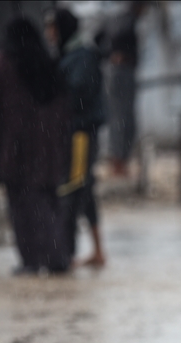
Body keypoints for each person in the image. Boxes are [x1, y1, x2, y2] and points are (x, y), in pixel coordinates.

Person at [0, 18, 71, 274]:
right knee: (49, 202)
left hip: (15, 148)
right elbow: (65, 106)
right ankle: (57, 256)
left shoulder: (3, 63)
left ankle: (31, 260)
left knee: (22, 207)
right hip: (49, 148)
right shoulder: (48, 64)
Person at [46, 7, 107, 267]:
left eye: (52, 28)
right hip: (76, 133)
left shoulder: (81, 56)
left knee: (73, 189)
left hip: (80, 135)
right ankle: (96, 250)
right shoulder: (72, 54)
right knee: (83, 189)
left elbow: (77, 94)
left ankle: (69, 252)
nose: (48, 34)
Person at [96, 2, 144, 177]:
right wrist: (111, 55)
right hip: (120, 73)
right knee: (120, 118)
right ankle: (117, 161)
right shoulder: (124, 21)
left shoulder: (126, 20)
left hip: (124, 72)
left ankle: (121, 160)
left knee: (125, 118)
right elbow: (101, 39)